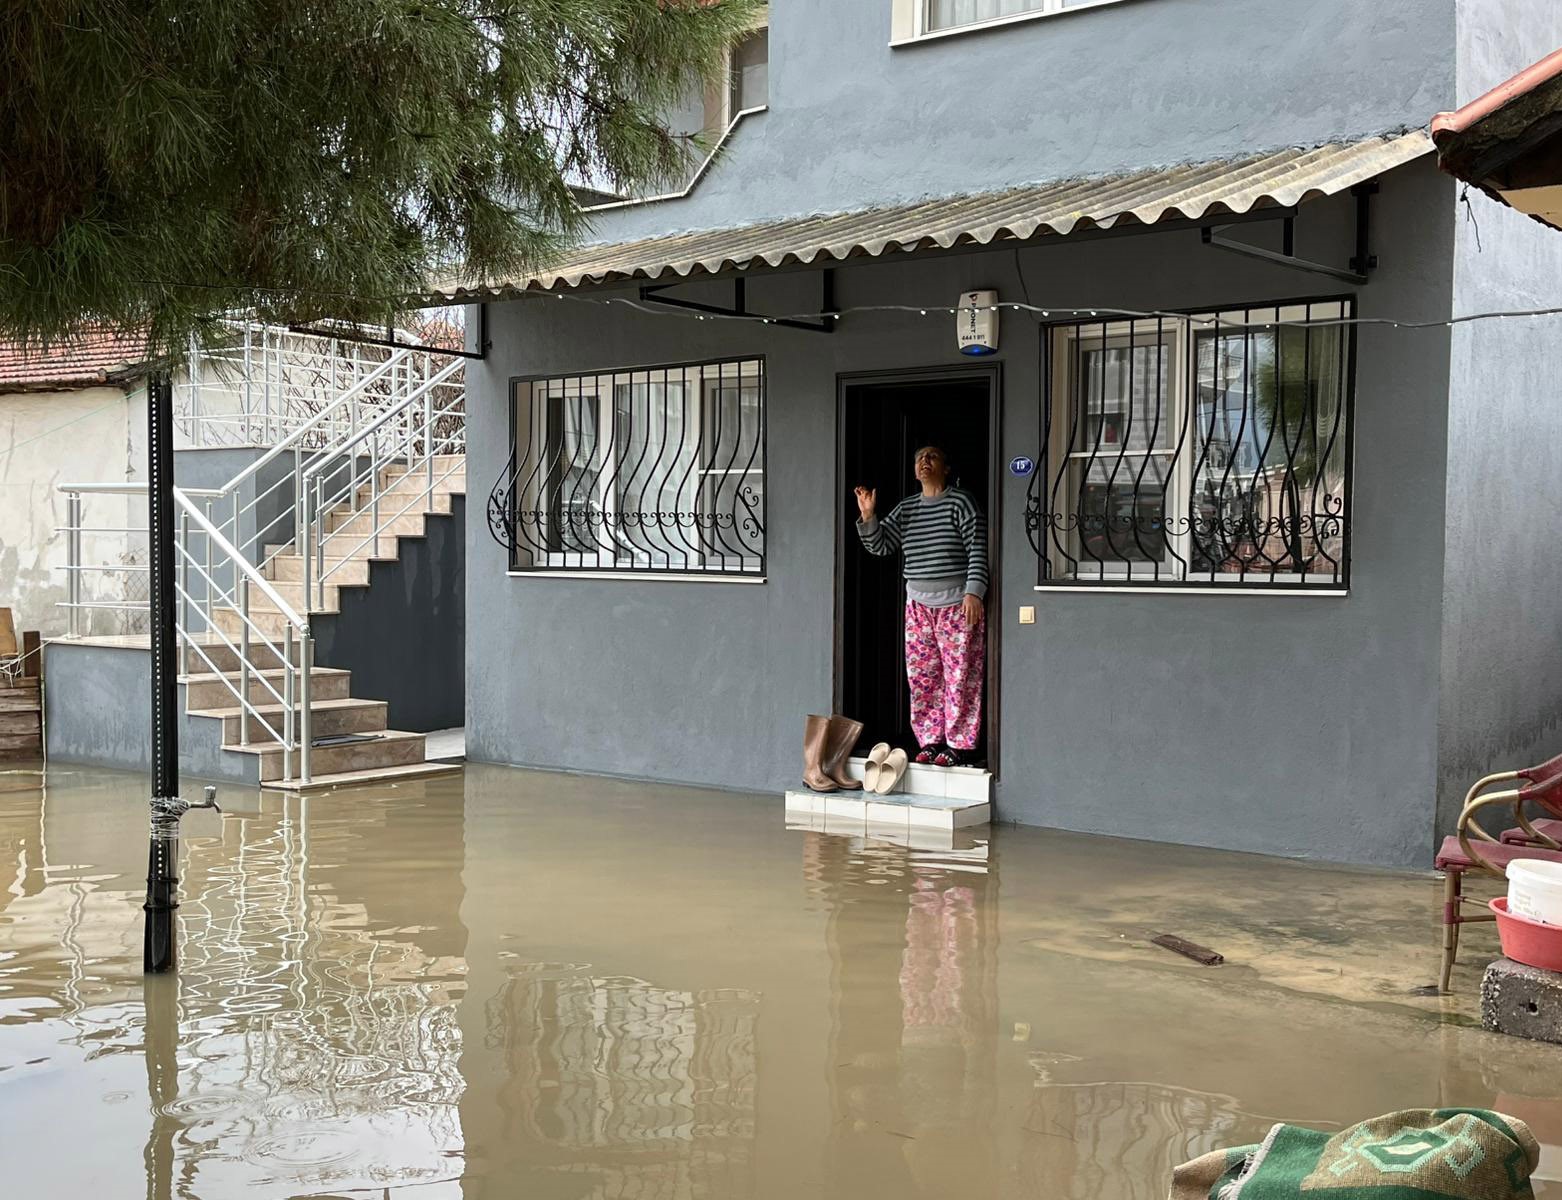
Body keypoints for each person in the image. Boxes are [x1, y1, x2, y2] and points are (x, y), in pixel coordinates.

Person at [855, 445, 988, 768]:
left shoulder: (961, 501)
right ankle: (930, 741)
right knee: (923, 676)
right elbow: (881, 546)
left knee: (960, 676)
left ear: (945, 467)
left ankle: (960, 745)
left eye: (932, 457)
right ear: (914, 472)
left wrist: (975, 592)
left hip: (957, 603)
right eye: (919, 459)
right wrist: (869, 517)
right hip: (917, 605)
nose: (924, 462)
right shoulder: (907, 508)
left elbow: (979, 547)